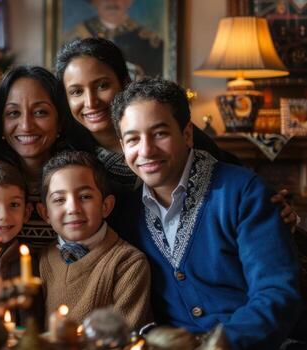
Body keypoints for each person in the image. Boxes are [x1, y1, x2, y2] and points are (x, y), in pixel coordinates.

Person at [109, 77, 302, 349]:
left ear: (187, 134)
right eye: (133, 139)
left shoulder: (242, 191)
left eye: (160, 134)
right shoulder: (127, 213)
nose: (146, 150)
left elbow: (277, 294)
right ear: (122, 146)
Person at [55, 37, 298, 226]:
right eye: (76, 92)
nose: (90, 102)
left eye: (102, 85)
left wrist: (269, 202)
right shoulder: (72, 152)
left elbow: (227, 170)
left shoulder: (169, 131)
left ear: (125, 83)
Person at [36, 150, 152, 330]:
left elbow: (124, 337)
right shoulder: (44, 258)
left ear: (106, 206)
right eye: (59, 199)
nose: (73, 208)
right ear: (45, 213)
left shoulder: (128, 263)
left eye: (85, 197)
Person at [0, 65, 72, 251]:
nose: (26, 126)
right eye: (13, 113)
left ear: (60, 121)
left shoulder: (81, 179)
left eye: (40, 112)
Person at [63, 0, 163, 78]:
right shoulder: (74, 38)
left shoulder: (150, 42)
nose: (111, 2)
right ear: (93, 2)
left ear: (130, 1)